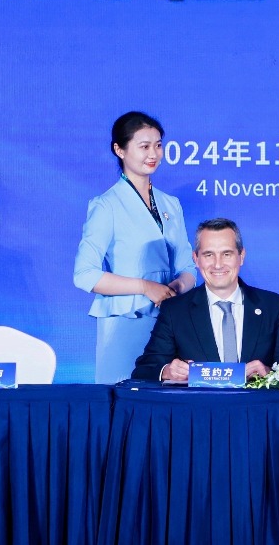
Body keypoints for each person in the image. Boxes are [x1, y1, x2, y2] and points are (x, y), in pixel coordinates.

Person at [74, 111, 196, 383]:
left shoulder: (171, 204)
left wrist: (175, 289)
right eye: (144, 146)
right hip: (126, 320)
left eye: (158, 145)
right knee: (124, 402)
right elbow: (85, 274)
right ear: (119, 150)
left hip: (171, 320)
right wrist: (144, 287)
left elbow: (188, 267)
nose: (153, 153)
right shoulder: (106, 206)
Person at [132, 218, 279, 382]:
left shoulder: (272, 305)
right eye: (209, 255)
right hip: (200, 409)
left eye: (226, 254)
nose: (218, 264)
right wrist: (168, 371)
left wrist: (269, 372)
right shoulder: (174, 310)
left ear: (241, 256)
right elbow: (145, 369)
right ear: (196, 259)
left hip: (255, 408)